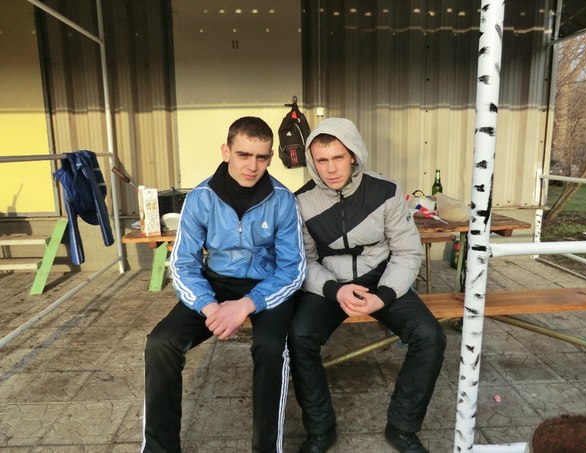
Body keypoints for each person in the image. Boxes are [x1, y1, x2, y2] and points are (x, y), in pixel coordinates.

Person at [142, 116, 307, 453]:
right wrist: (210, 307)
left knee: (271, 349)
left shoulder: (282, 199)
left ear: (270, 157)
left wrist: (247, 305)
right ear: (226, 151)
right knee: (160, 344)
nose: (252, 166)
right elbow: (183, 264)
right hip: (215, 284)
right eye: (244, 155)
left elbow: (292, 269)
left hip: (267, 286)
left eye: (262, 157)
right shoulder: (200, 198)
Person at [289, 118, 446, 453]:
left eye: (338, 157)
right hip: (330, 283)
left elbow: (407, 252)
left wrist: (383, 296)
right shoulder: (301, 201)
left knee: (430, 336)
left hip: (381, 278)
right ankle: (320, 430)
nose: (331, 169)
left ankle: (402, 427)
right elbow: (304, 261)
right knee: (299, 337)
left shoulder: (385, 191)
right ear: (312, 162)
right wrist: (334, 290)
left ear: (353, 155)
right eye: (322, 160)